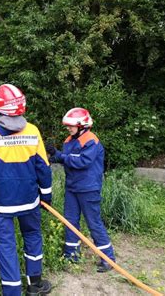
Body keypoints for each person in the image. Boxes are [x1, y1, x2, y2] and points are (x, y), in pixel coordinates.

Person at [0, 84, 52, 296]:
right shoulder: (33, 131)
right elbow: (43, 167)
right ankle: (34, 284)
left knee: (6, 246)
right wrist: (46, 194)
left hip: (0, 204)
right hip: (29, 200)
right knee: (33, 236)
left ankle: (12, 292)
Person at [46, 107, 115, 272]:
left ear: (82, 125)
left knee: (93, 222)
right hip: (72, 188)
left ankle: (108, 259)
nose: (68, 128)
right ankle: (71, 255)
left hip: (88, 189)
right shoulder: (69, 140)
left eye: (71, 125)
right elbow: (67, 159)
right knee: (70, 222)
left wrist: (60, 156)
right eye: (67, 126)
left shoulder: (91, 140)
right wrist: (52, 155)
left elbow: (82, 161)